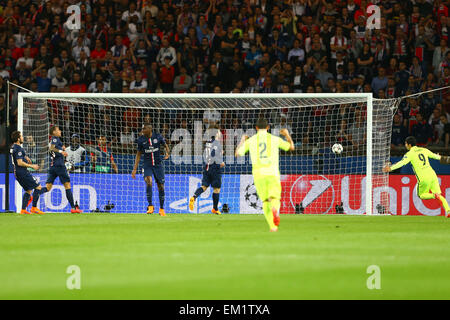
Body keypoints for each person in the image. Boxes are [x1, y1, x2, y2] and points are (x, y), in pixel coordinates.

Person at [235, 118, 295, 232]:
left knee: (265, 201)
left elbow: (237, 153)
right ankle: (275, 210)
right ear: (268, 128)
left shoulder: (251, 141)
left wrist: (242, 139)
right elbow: (291, 147)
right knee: (275, 198)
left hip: (259, 174)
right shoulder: (274, 139)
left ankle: (273, 227)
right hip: (272, 172)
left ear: (256, 128)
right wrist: (287, 135)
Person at [383, 136, 450, 217]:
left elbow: (402, 163)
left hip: (423, 177)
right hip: (432, 175)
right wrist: (447, 159)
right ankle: (448, 211)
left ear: (409, 145)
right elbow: (437, 157)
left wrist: (390, 168)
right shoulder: (424, 150)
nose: (405, 145)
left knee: (421, 195)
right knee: (439, 195)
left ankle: (434, 195)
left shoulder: (410, 154)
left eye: (406, 144)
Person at [41, 126, 82, 213]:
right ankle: (74, 208)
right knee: (67, 186)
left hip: (53, 166)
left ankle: (34, 195)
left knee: (48, 188)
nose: (60, 131)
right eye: (58, 130)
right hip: (59, 166)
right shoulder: (55, 139)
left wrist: (61, 148)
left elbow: (51, 150)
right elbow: (52, 148)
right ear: (54, 132)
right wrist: (61, 151)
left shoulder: (56, 140)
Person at [132, 124, 170, 215]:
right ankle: (150, 206)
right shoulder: (141, 140)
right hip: (147, 165)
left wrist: (167, 153)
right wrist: (134, 169)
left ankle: (161, 209)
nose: (142, 130)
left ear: (150, 129)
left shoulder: (158, 136)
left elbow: (165, 145)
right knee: (148, 181)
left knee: (160, 186)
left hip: (158, 165)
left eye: (144, 129)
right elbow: (138, 154)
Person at [189, 125, 225, 214]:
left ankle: (194, 197)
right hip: (215, 168)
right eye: (219, 131)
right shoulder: (217, 143)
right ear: (216, 133)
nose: (220, 133)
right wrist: (220, 161)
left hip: (207, 167)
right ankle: (215, 209)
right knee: (216, 189)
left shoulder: (208, 143)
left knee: (204, 186)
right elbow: (213, 154)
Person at [10, 131, 45, 215]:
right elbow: (19, 162)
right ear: (18, 139)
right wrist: (32, 166)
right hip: (22, 172)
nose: (23, 138)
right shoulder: (18, 148)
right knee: (38, 187)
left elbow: (19, 156)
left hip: (17, 173)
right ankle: (34, 208)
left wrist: (26, 157)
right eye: (21, 136)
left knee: (29, 190)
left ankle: (23, 210)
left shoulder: (14, 147)